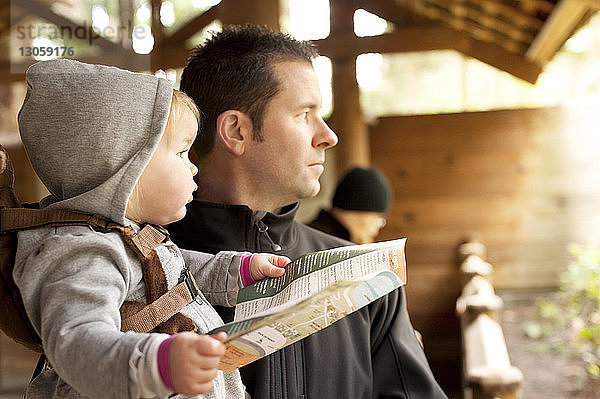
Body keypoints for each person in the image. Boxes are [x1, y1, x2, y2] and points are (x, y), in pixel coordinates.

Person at [169, 25, 447, 398]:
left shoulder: (368, 279)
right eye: (305, 114)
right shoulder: (139, 269)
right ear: (236, 131)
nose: (328, 136)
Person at [14, 59, 289, 399]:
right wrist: (157, 365)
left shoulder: (128, 239)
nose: (193, 167)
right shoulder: (83, 253)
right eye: (181, 152)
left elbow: (177, 275)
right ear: (127, 166)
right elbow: (77, 343)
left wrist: (240, 271)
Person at [309, 166, 392, 244]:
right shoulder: (325, 244)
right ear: (358, 208)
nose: (375, 232)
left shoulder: (318, 234)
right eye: (378, 221)